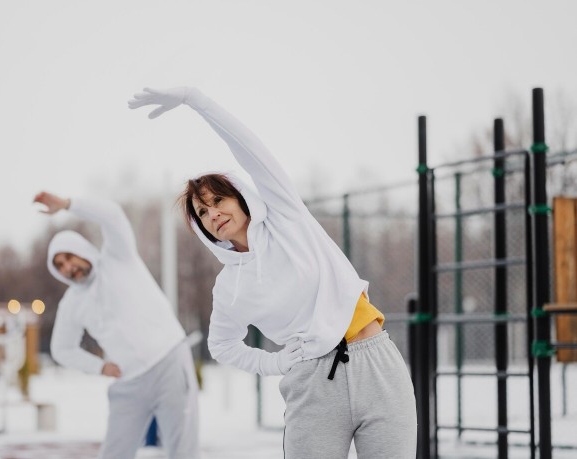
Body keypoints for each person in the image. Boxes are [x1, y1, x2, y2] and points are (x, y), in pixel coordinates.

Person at [129, 87, 417, 458]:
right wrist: (275, 362)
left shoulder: (287, 218)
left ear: (241, 198)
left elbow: (250, 150)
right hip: (314, 384)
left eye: (218, 200)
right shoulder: (230, 286)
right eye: (202, 212)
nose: (212, 213)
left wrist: (196, 100)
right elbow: (221, 345)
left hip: (377, 366)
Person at [34, 191, 200, 459]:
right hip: (128, 383)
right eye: (59, 266)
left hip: (169, 363)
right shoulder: (71, 304)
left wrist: (67, 205)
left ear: (80, 250)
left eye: (68, 257)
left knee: (184, 452)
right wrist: (99, 366)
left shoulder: (117, 257)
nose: (67, 267)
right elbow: (61, 349)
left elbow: (112, 215)